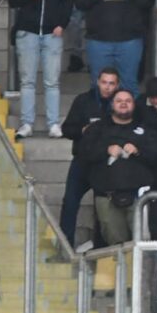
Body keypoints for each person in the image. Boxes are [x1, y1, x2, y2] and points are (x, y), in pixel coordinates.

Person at [80, 89, 157, 248]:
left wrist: (138, 151)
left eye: (128, 100)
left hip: (139, 197)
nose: (123, 103)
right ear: (112, 104)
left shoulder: (146, 128)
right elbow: (84, 153)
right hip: (107, 196)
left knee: (143, 247)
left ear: (134, 104)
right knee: (114, 249)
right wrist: (106, 149)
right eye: (119, 101)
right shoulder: (97, 128)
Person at [8, 0, 73, 139]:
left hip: (53, 32)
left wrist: (62, 24)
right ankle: (27, 123)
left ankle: (53, 124)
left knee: (52, 81)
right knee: (27, 81)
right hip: (28, 31)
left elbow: (68, 3)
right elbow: (12, 1)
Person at [75, 0, 154, 97]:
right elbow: (79, 3)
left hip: (129, 41)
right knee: (99, 86)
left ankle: (131, 120)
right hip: (99, 41)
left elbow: (150, 0)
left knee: (129, 85)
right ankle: (99, 120)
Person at [60, 67, 119, 244]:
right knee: (70, 201)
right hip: (82, 161)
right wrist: (82, 130)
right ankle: (65, 244)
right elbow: (67, 129)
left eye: (111, 83)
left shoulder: (122, 102)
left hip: (106, 163)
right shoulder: (83, 100)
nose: (107, 87)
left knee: (102, 207)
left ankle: (100, 248)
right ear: (97, 82)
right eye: (104, 82)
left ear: (117, 85)